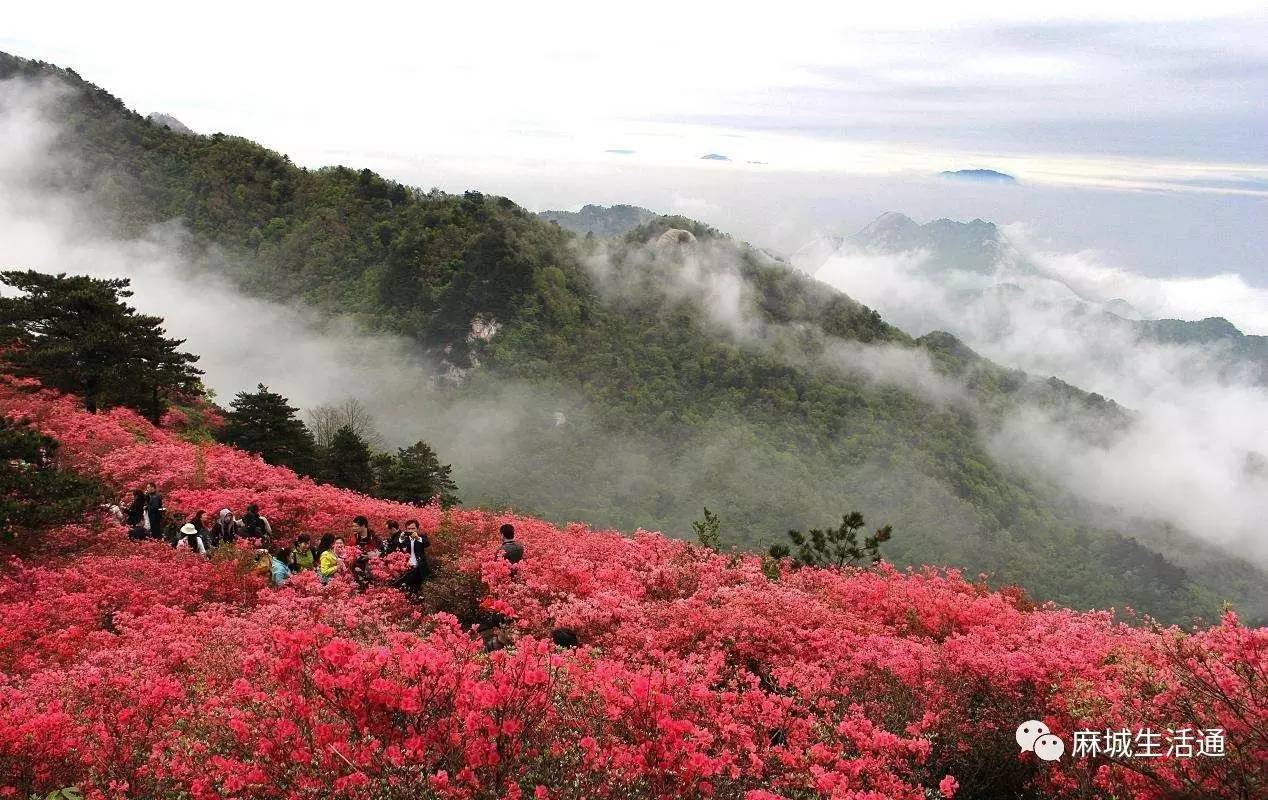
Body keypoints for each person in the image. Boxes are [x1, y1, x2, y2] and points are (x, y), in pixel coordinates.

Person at [395, 519, 432, 594]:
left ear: (417, 529)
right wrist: (401, 539)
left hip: (419, 566)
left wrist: (417, 538)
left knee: (419, 588)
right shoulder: (404, 538)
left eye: (413, 528)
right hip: (407, 566)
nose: (411, 530)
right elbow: (398, 545)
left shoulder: (421, 536)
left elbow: (427, 543)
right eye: (409, 529)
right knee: (407, 588)